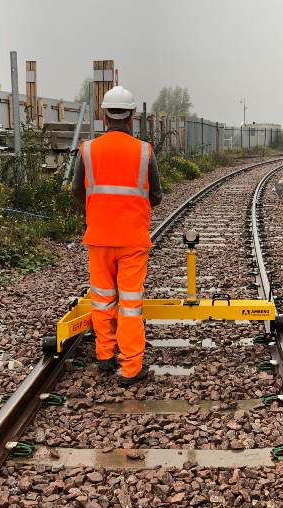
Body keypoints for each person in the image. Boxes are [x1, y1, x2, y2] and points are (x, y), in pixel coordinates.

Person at [72, 86, 162, 387]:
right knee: (131, 303)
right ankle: (131, 368)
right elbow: (157, 197)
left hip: (98, 238)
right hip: (133, 241)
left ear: (103, 114)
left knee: (102, 299)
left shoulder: (86, 150)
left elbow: (76, 193)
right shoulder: (144, 151)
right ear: (132, 115)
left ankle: (105, 355)